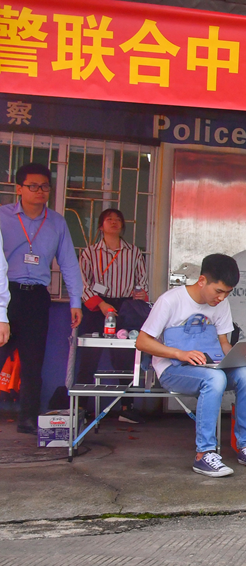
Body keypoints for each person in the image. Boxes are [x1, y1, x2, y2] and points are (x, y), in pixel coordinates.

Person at [136, 254, 246, 477]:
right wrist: (179, 353)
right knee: (215, 379)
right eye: (219, 291)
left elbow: (223, 343)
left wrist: (237, 358)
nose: (222, 298)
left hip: (209, 367)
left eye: (227, 293)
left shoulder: (221, 304)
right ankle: (204, 454)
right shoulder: (170, 301)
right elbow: (142, 342)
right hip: (173, 370)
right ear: (202, 280)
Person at [0, 163, 83, 434]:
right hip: (5, 294)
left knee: (33, 361)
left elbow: (69, 263)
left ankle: (27, 418)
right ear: (19, 188)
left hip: (36, 298)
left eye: (45, 186)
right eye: (33, 186)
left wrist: (75, 301)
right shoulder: (3, 216)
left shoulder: (57, 222)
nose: (40, 191)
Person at [77, 208, 149, 424]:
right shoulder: (90, 253)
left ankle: (127, 408)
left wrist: (139, 295)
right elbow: (82, 283)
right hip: (97, 306)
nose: (114, 222)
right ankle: (81, 407)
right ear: (101, 226)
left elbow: (142, 280)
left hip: (124, 306)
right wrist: (100, 304)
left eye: (118, 219)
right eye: (109, 219)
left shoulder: (133, 252)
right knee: (89, 356)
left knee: (125, 357)